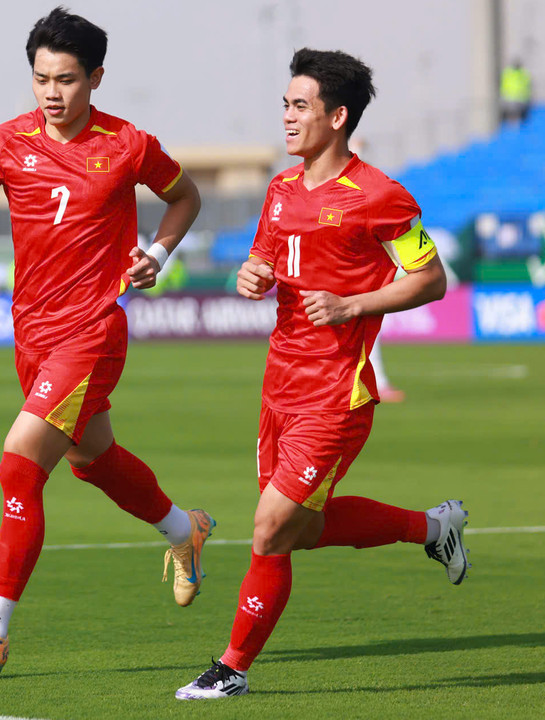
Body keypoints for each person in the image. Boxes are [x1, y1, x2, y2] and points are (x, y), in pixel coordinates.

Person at [0, 6, 213, 676]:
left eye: (66, 78)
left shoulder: (129, 144)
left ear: (96, 78)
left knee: (20, 463)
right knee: (94, 459)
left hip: (94, 330)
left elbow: (186, 198)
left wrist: (156, 254)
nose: (52, 92)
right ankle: (186, 529)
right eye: (41, 78)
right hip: (31, 335)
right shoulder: (6, 143)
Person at [175, 49, 469, 700]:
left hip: (337, 392)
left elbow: (431, 279)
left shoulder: (380, 195)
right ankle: (434, 528)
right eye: (285, 104)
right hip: (278, 387)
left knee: (270, 529)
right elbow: (263, 259)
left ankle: (231, 669)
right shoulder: (281, 189)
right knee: (300, 531)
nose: (287, 116)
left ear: (337, 117)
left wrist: (352, 304)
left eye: (300, 106)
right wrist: (251, 275)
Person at [500, 59, 532, 124]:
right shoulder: (523, 74)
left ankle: (511, 120)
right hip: (516, 98)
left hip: (511, 97)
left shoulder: (507, 73)